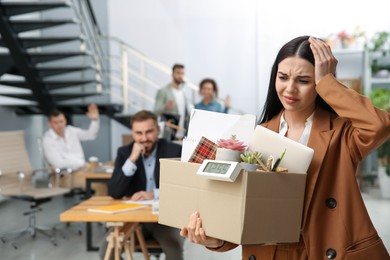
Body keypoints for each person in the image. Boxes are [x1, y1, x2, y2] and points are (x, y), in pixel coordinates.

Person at [180, 36, 390, 259]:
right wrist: (217, 240)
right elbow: (243, 210)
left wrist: (329, 82)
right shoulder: (254, 135)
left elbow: (379, 126)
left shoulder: (341, 133)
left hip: (324, 248)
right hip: (270, 252)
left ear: (319, 83)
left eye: (304, 80)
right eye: (283, 77)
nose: (290, 89)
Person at [106, 110, 184, 260]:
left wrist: (154, 194)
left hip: (164, 218)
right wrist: (132, 159)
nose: (144, 138)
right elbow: (115, 192)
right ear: (133, 133)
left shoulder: (174, 150)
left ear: (158, 130)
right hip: (134, 217)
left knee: (174, 250)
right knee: (108, 252)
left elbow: (182, 189)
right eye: (138, 133)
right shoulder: (125, 153)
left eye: (149, 132)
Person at [42, 103, 100, 170]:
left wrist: (95, 121)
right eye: (56, 123)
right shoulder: (48, 140)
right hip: (64, 175)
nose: (59, 125)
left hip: (82, 170)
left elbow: (91, 135)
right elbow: (58, 163)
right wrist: (81, 163)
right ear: (50, 124)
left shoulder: (71, 130)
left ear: (65, 121)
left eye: (61, 121)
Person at [154, 63, 189, 139]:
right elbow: (156, 111)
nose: (180, 76)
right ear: (172, 74)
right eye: (178, 73)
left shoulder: (183, 93)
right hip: (169, 132)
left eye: (182, 73)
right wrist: (165, 107)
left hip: (182, 132)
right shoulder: (163, 91)